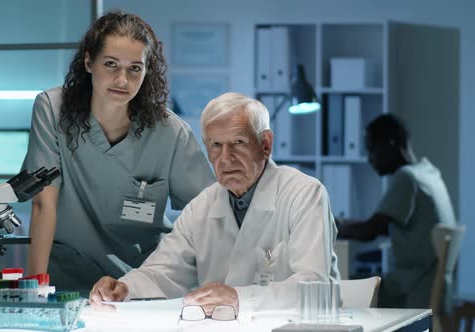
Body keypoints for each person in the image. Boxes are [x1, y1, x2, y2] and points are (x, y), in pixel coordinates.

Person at [89, 92, 340, 316]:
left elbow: (313, 284)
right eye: (216, 145)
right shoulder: (202, 207)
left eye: (238, 143)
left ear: (265, 145)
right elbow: (163, 271)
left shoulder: (305, 194)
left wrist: (239, 298)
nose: (225, 158)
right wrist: (124, 287)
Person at [22, 10, 215, 296]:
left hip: (141, 283)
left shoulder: (169, 132)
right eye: (111, 64)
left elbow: (209, 211)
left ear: (147, 70)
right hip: (68, 279)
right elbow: (43, 204)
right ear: (89, 62)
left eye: (135, 68)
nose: (122, 80)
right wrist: (34, 291)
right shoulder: (52, 109)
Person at [337, 114, 457, 308]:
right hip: (435, 288)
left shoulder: (407, 178)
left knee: (339, 292)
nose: (369, 159)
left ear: (389, 144)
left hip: (412, 289)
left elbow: (369, 231)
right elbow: (385, 227)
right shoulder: (429, 173)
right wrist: (345, 224)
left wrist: (325, 225)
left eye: (371, 149)